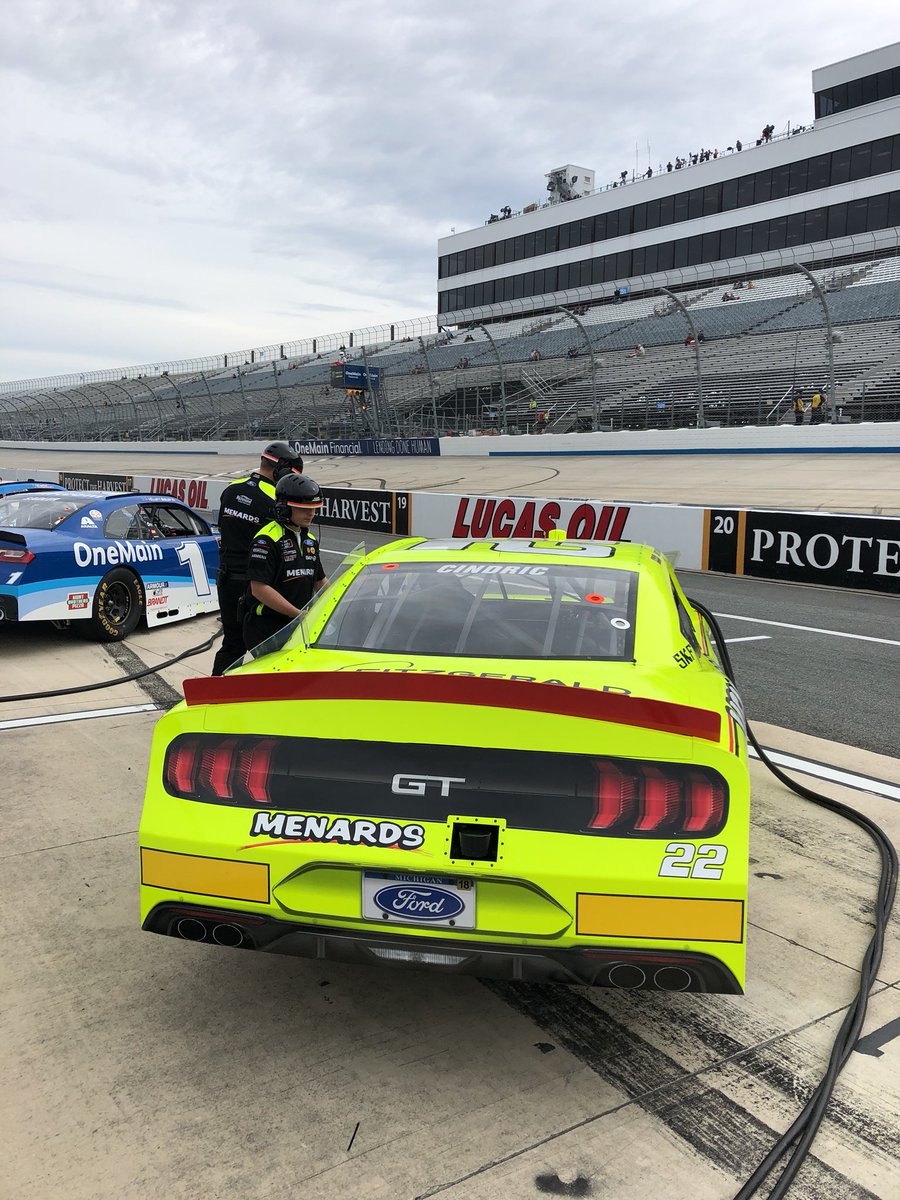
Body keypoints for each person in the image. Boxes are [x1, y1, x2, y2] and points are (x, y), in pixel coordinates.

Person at [211, 441, 303, 675]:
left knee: (232, 645)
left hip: (226, 579)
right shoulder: (276, 497)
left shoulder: (231, 489)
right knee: (273, 650)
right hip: (256, 585)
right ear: (281, 470)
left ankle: (212, 697)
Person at [243, 474, 329, 653]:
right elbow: (258, 588)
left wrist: (341, 602)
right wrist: (297, 614)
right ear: (284, 508)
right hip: (268, 630)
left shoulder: (310, 540)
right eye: (304, 509)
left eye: (314, 508)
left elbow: (320, 581)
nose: (311, 514)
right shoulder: (266, 540)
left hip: (298, 626)